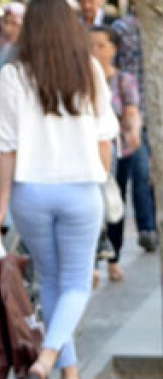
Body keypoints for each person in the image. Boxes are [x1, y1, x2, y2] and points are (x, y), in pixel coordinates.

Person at [0, 0, 118, 379]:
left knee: (51, 281)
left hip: (31, 192)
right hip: (80, 189)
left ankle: (70, 375)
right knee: (78, 283)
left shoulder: (12, 75)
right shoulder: (89, 70)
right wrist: (101, 180)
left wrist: (2, 205)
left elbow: (5, 147)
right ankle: (45, 364)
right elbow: (105, 138)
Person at [91, 26, 142, 283]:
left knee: (114, 203)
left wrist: (134, 130)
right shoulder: (82, 78)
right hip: (87, 151)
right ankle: (91, 263)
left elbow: (132, 109)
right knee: (89, 206)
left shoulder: (123, 79)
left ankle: (114, 258)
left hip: (118, 150)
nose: (96, 51)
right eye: (92, 45)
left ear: (114, 49)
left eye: (101, 45)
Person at [111, 3, 156, 252]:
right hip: (126, 112)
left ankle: (147, 228)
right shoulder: (122, 29)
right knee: (125, 176)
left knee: (143, 175)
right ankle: (123, 239)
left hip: (150, 113)